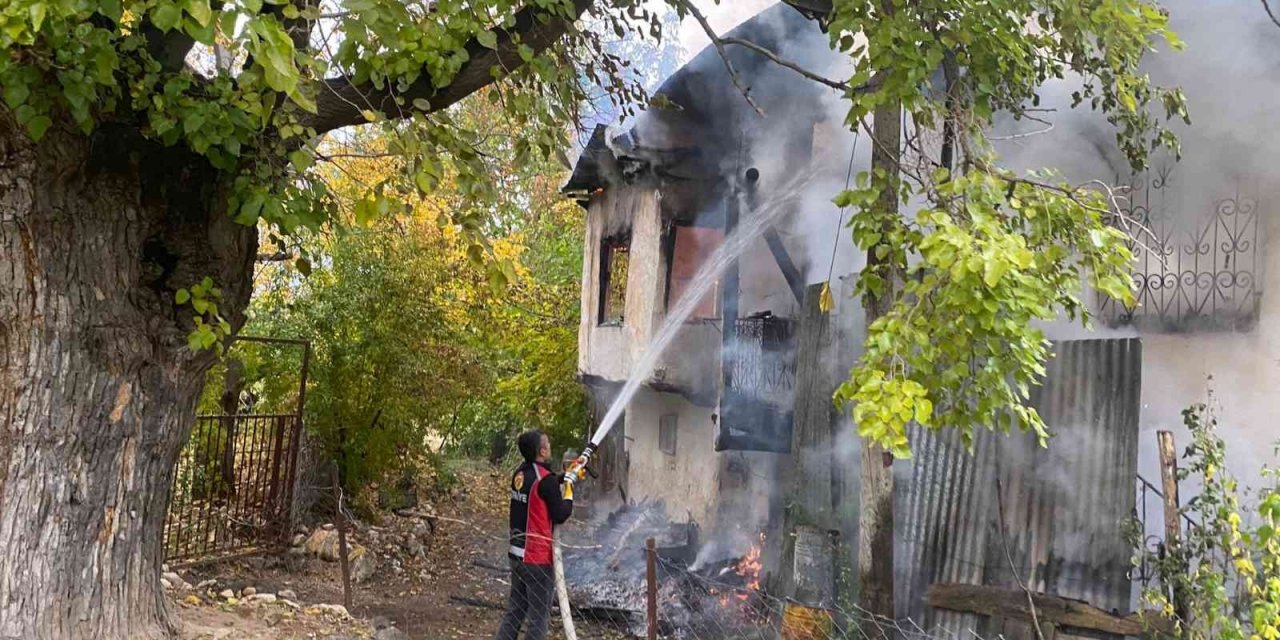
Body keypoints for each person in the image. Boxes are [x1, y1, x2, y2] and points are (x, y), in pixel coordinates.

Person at [494, 430, 574, 640]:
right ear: (541, 450)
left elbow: (541, 486)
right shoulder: (545, 480)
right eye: (547, 443)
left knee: (516, 611)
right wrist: (569, 491)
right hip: (536, 559)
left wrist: (562, 478)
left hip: (517, 555)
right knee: (538, 620)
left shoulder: (520, 473)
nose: (549, 445)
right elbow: (560, 514)